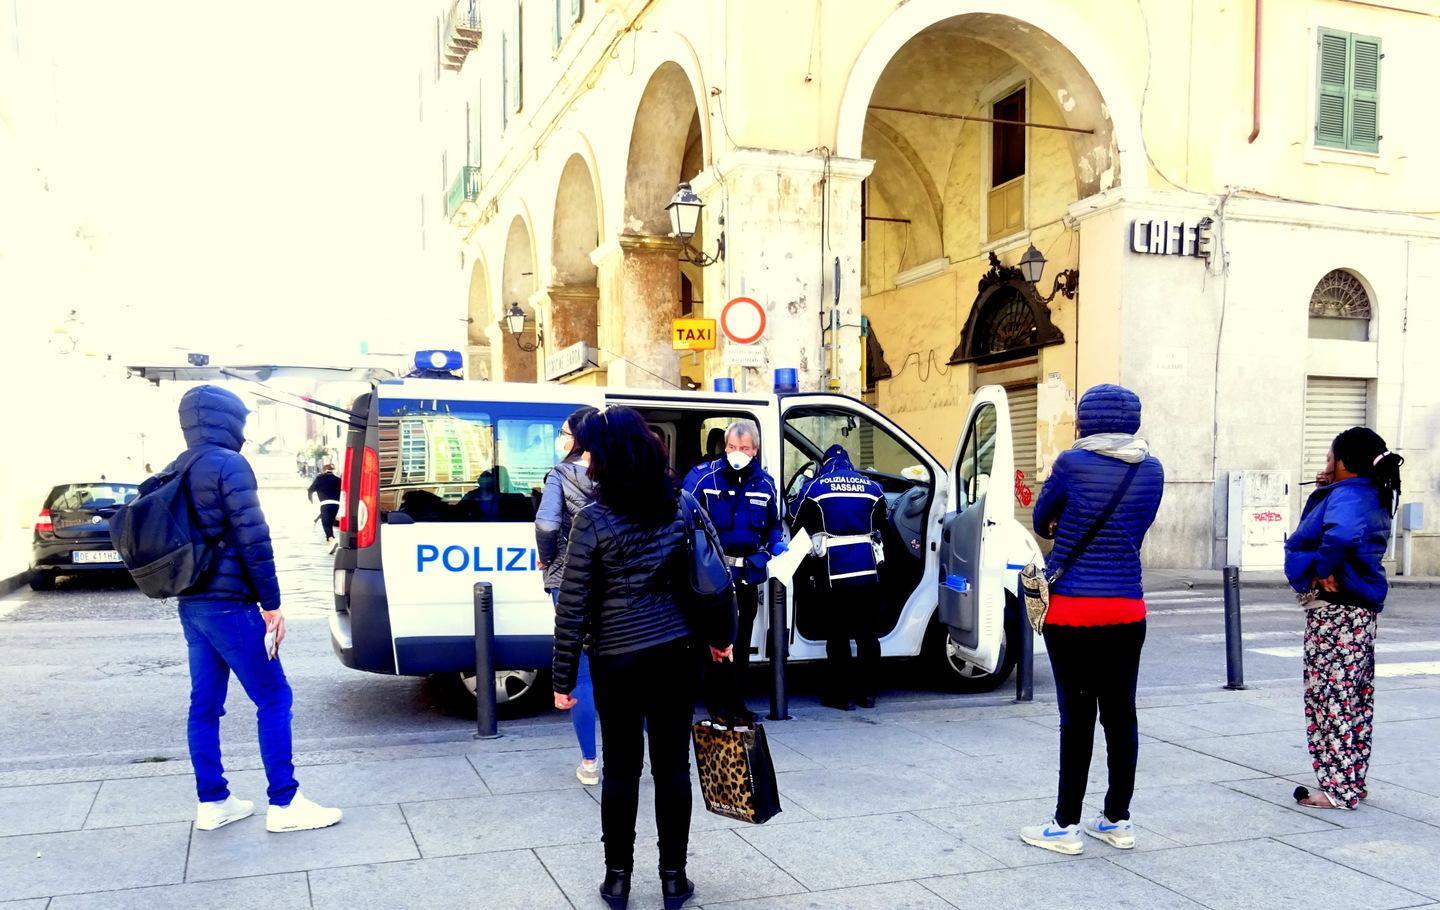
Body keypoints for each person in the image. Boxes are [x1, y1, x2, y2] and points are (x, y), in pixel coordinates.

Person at [553, 406, 736, 910]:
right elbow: (715, 578)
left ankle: (617, 881)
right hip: (676, 653)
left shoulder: (591, 521)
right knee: (673, 768)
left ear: (604, 459)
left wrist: (563, 675)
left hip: (615, 661)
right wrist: (721, 637)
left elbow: (573, 605)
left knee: (620, 770)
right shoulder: (682, 505)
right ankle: (674, 881)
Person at [167, 385, 342, 834]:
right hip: (231, 605)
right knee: (274, 696)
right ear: (228, 420)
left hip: (192, 604)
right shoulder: (229, 464)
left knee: (204, 705)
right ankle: (284, 802)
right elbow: (253, 538)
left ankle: (213, 801)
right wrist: (272, 605)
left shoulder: (176, 466)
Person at [1020, 384, 1164, 856]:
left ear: (1085, 421)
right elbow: (1134, 530)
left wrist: (1065, 524)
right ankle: (1117, 820)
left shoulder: (1071, 463)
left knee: (1077, 719)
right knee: (1122, 716)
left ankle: (1065, 826)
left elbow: (1042, 520)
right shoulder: (1153, 470)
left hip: (1075, 609)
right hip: (1127, 606)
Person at [1285, 427, 1402, 811]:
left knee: (1330, 698)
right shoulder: (1369, 492)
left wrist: (1320, 568)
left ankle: (1337, 790)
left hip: (1337, 610)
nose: (1325, 466)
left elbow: (1340, 534)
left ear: (1345, 463)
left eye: (1329, 458)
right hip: (1357, 610)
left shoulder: (1350, 495)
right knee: (1353, 698)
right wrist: (1326, 488)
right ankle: (1351, 780)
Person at [681, 420, 785, 684]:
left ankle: (737, 703)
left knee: (742, 638)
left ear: (754, 451)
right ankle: (715, 705)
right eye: (731, 446)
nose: (736, 452)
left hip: (746, 573)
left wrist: (776, 544)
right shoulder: (703, 478)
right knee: (713, 639)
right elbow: (683, 518)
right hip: (713, 576)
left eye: (743, 447)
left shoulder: (766, 484)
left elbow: (772, 524)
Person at [790, 444, 887, 710]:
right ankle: (868, 694)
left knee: (839, 636)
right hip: (867, 571)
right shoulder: (872, 487)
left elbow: (793, 514)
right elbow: (883, 522)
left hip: (835, 573)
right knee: (867, 635)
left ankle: (841, 696)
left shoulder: (817, 486)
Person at [535, 406, 601, 786]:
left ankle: (590, 763)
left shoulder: (561, 474)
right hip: (609, 580)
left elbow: (546, 523)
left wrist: (548, 557)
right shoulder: (614, 474)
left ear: (577, 437)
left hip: (567, 579)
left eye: (564, 431)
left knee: (581, 670)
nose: (560, 436)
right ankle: (646, 750)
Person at [307, 463, 341, 544]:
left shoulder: (320, 478)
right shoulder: (338, 479)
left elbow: (310, 490)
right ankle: (330, 539)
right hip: (336, 505)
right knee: (330, 523)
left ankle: (330, 538)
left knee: (326, 524)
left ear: (324, 470)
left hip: (325, 504)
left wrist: (310, 499)